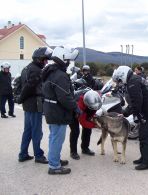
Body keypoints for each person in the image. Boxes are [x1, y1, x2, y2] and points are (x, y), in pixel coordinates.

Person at [112, 66, 148, 170]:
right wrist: (125, 113)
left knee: (146, 137)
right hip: (147, 112)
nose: (119, 82)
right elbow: (134, 102)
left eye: (119, 80)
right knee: (142, 136)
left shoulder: (133, 82)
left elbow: (137, 102)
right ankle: (144, 158)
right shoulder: (132, 80)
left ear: (123, 75)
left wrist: (134, 114)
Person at [42, 46, 79, 175]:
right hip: (57, 111)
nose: (69, 63)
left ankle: (54, 159)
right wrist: (76, 107)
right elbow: (64, 96)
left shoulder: (50, 72)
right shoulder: (60, 75)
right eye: (67, 60)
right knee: (57, 138)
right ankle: (54, 166)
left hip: (51, 109)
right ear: (62, 59)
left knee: (53, 137)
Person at [18, 47, 52, 163]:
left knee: (27, 130)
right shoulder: (36, 70)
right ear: (39, 59)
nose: (46, 62)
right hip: (34, 104)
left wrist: (20, 98)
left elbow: (20, 84)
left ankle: (23, 154)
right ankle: (38, 155)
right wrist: (20, 98)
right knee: (37, 131)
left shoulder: (26, 68)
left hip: (28, 104)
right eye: (45, 60)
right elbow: (29, 87)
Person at [70, 90, 102, 160]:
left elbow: (93, 112)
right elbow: (83, 122)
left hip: (87, 108)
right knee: (75, 131)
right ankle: (73, 152)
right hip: (73, 111)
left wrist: (94, 121)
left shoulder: (97, 98)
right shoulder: (80, 103)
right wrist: (96, 126)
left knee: (88, 130)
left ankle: (85, 148)